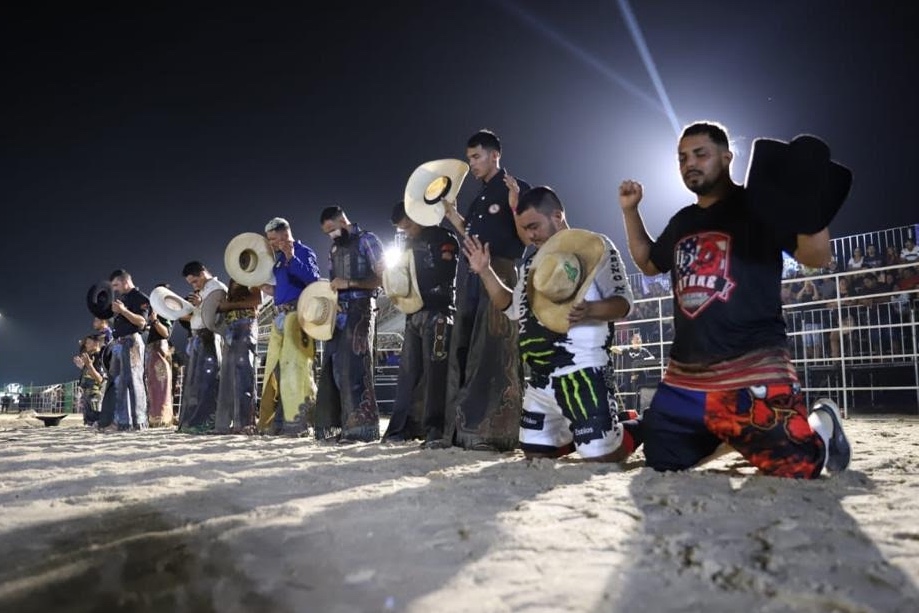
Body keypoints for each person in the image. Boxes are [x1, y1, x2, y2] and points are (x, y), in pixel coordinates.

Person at [618, 120, 850, 477]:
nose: (689, 164)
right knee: (662, 462)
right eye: (682, 158)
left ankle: (823, 422)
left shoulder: (760, 205)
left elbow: (816, 257)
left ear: (727, 157)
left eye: (700, 154)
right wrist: (631, 211)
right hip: (686, 379)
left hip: (752, 369)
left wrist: (808, 201)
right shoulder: (683, 220)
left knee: (797, 467)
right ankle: (737, 437)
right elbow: (649, 262)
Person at [462, 186, 639, 461]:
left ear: (557, 216)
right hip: (541, 380)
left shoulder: (597, 247)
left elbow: (624, 304)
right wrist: (485, 271)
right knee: (534, 454)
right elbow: (510, 306)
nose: (530, 235)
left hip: (583, 373)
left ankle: (636, 426)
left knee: (603, 458)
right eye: (524, 229)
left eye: (534, 226)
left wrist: (591, 309)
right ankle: (579, 431)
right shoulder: (532, 260)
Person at [440, 128, 531, 451]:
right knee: (463, 348)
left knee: (494, 350)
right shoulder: (479, 196)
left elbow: (527, 238)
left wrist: (516, 205)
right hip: (472, 274)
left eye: (476, 157)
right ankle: (461, 431)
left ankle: (494, 432)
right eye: (469, 158)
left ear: (495, 155)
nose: (473, 164)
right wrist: (453, 216)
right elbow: (471, 235)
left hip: (502, 271)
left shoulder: (515, 189)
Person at [381, 200, 459, 447]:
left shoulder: (444, 237)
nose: (406, 230)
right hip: (413, 312)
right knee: (408, 372)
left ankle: (436, 429)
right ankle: (403, 428)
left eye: (407, 225)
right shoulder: (408, 243)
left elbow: (447, 273)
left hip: (438, 312)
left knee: (436, 372)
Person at [315, 205, 385, 443]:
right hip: (339, 314)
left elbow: (383, 278)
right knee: (334, 369)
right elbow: (335, 282)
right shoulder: (334, 249)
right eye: (327, 233)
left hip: (362, 308)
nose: (331, 235)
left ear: (343, 221)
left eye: (332, 229)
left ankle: (362, 429)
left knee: (355, 367)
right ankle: (342, 426)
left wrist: (350, 283)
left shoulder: (368, 240)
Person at [258, 217, 322, 435]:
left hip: (299, 314)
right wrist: (267, 288)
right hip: (280, 316)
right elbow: (283, 289)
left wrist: (291, 257)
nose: (271, 244)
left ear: (285, 234)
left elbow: (313, 279)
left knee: (297, 368)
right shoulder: (276, 262)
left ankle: (301, 422)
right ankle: (279, 421)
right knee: (276, 369)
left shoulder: (304, 252)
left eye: (273, 239)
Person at [176, 261, 227, 434]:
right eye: (191, 283)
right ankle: (194, 421)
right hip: (197, 336)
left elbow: (220, 314)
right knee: (195, 383)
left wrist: (201, 304)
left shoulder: (217, 288)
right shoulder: (203, 290)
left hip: (209, 336)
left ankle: (208, 421)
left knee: (208, 382)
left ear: (203, 272)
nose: (194, 285)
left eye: (195, 281)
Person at [215, 279, 262, 434]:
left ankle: (244, 423)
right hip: (231, 332)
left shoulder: (252, 280)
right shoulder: (230, 290)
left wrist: (228, 306)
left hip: (245, 327)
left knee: (243, 376)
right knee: (228, 377)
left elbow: (257, 300)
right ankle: (226, 424)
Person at [107, 269, 151, 431]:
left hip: (131, 342)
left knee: (134, 382)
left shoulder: (141, 298)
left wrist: (123, 311)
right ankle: (122, 423)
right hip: (119, 343)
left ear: (125, 281)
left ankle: (139, 422)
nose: (115, 289)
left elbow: (141, 322)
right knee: (118, 383)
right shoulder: (122, 299)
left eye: (116, 285)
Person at [146, 283, 175, 427]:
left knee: (161, 385)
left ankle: (162, 418)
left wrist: (155, 321)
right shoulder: (156, 310)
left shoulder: (166, 311)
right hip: (153, 350)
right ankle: (155, 417)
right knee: (154, 385)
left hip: (159, 349)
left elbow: (166, 333)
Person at [72, 332, 107, 425]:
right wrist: (83, 366)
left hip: (95, 395)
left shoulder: (100, 357)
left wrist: (89, 366)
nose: (86, 345)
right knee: (88, 421)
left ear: (96, 344)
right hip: (88, 395)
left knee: (95, 421)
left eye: (88, 343)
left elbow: (100, 379)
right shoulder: (91, 357)